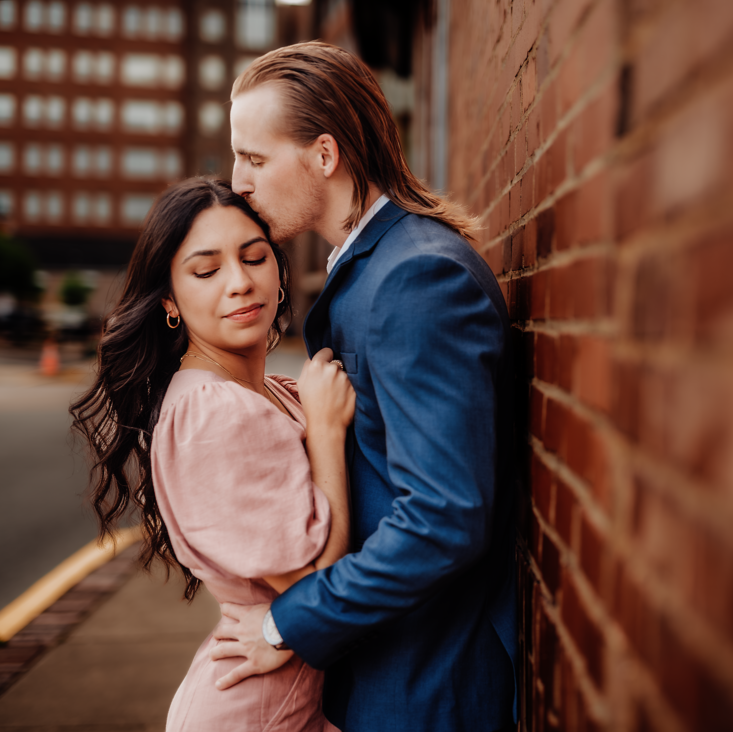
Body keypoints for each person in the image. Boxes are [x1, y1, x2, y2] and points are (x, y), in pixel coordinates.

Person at [210, 41, 518, 732]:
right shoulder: (376, 270)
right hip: (388, 670)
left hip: (426, 686)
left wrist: (284, 626)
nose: (239, 182)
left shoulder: (415, 281)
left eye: (255, 158)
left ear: (325, 155)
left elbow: (443, 516)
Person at [70, 177, 356, 731]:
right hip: (251, 713)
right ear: (170, 301)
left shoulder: (262, 390)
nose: (240, 283)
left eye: (255, 258)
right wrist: (324, 434)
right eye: (207, 271)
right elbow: (318, 593)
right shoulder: (212, 412)